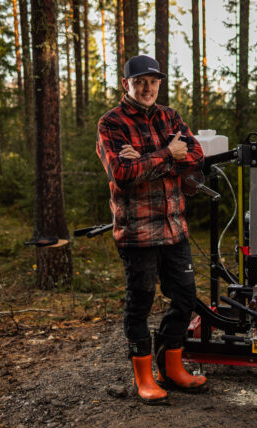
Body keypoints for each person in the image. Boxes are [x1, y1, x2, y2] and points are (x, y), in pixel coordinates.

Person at [96, 55, 206, 404]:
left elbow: (198, 154)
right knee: (140, 303)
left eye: (153, 81)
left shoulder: (170, 116)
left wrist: (145, 160)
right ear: (125, 84)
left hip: (175, 229)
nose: (147, 88)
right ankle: (144, 378)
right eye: (140, 81)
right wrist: (167, 154)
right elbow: (123, 176)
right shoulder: (110, 124)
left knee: (186, 297)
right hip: (137, 234)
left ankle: (171, 365)